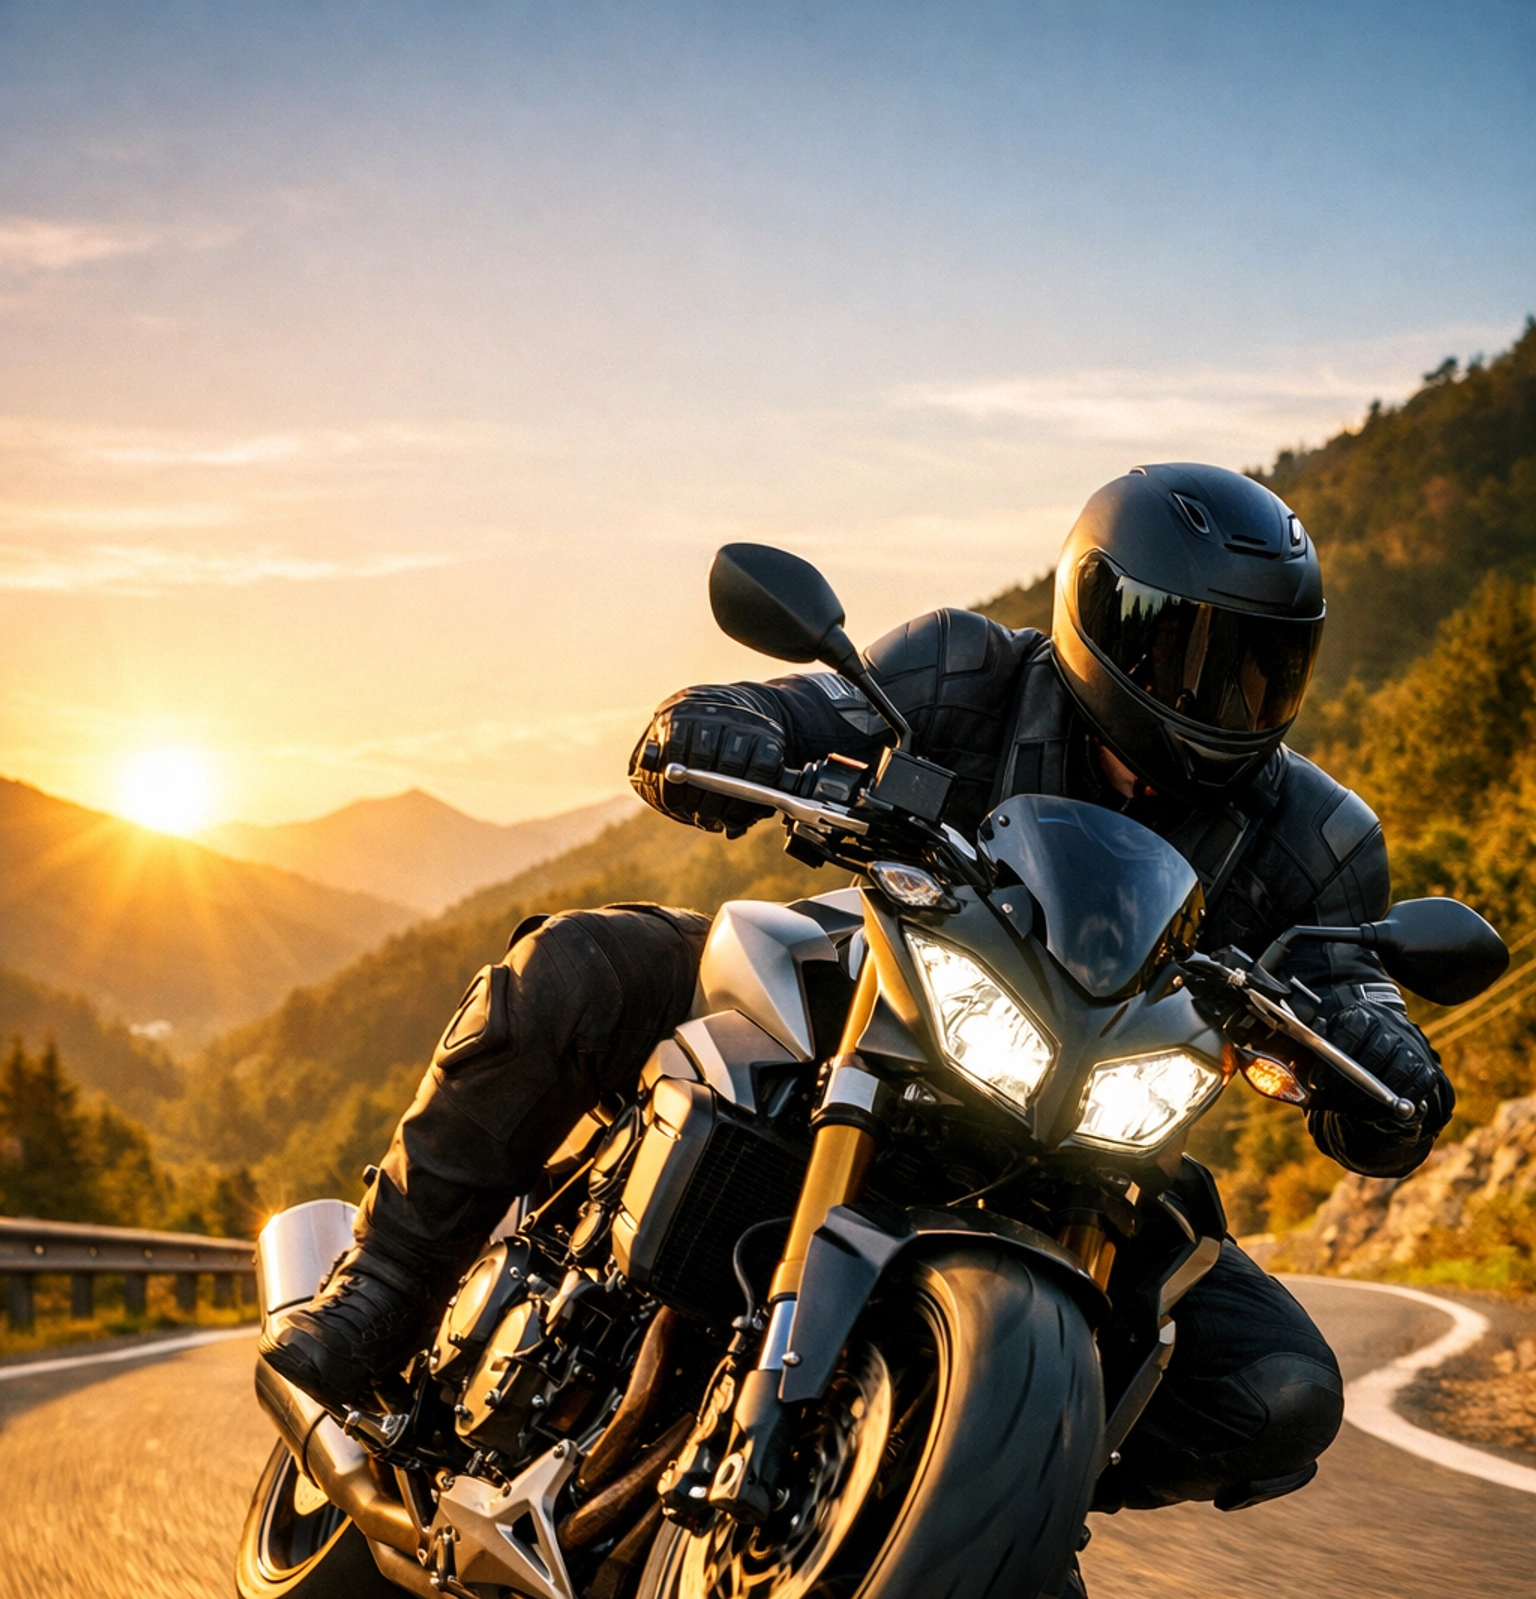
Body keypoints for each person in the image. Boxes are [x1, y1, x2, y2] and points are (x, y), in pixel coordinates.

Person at [263, 463, 1453, 1511]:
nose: (1220, 696)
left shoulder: (1318, 838)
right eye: (1186, 650)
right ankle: (384, 1291)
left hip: (1098, 1119)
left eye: (1258, 665)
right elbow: (814, 709)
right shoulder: (965, 668)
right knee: (583, 961)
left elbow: (1351, 979)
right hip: (873, 996)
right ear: (1099, 614)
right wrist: (724, 726)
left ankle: (979, 1497)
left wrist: (1386, 1061)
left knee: (1275, 1390)